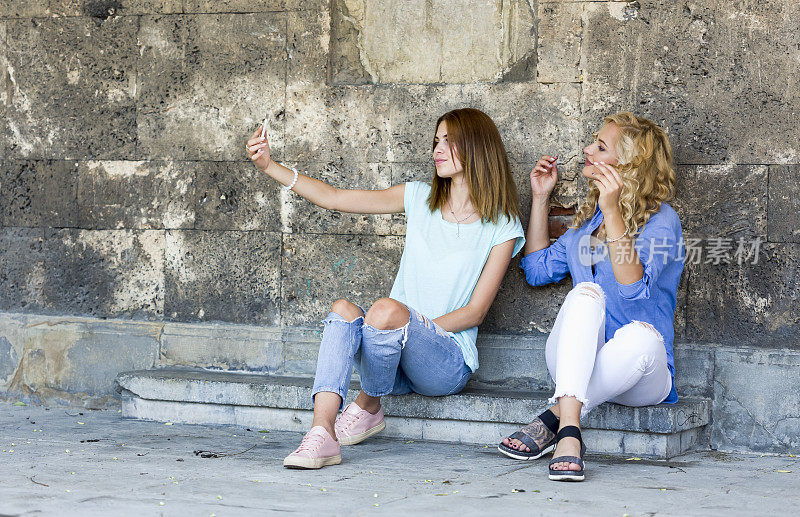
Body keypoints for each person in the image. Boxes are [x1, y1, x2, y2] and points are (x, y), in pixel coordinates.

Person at [246, 108, 525, 469]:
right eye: (436, 141)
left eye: (449, 142)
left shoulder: (501, 224)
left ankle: (368, 404)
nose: (437, 150)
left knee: (386, 311)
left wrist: (409, 328)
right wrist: (270, 166)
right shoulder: (420, 198)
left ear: (477, 147)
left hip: (444, 360)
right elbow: (335, 198)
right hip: (388, 350)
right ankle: (322, 433)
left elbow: (475, 312)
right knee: (344, 309)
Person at [498, 112, 683, 482]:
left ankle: (556, 419)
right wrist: (539, 197)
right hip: (573, 361)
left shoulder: (662, 222)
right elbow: (535, 270)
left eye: (600, 146)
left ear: (629, 163)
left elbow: (632, 289)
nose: (587, 148)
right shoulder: (586, 225)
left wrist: (614, 212)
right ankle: (569, 434)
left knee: (644, 337)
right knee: (585, 293)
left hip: (641, 371)